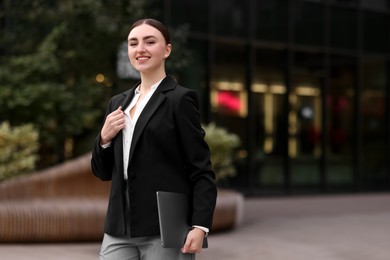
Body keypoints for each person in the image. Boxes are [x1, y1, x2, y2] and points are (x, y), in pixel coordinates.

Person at [91, 18, 217, 260]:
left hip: (163, 224)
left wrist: (200, 226)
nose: (140, 49)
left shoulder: (179, 100)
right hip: (119, 225)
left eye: (150, 42)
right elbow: (103, 172)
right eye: (133, 43)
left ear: (167, 50)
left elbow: (201, 168)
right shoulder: (118, 103)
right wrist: (104, 138)